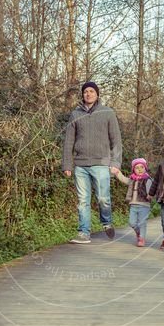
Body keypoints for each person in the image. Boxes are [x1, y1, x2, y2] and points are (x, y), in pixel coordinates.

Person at [62, 81, 122, 244]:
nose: (88, 94)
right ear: (83, 95)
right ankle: (84, 232)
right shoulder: (75, 114)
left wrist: (115, 163)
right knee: (83, 201)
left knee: (103, 198)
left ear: (97, 94)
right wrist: (67, 164)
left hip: (101, 164)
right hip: (80, 165)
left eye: (91, 91)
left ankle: (106, 221)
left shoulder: (107, 112)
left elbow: (116, 140)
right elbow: (68, 141)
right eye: (86, 91)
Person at [114, 158, 153, 247]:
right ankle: (138, 232)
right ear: (133, 170)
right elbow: (124, 179)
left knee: (142, 222)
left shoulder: (148, 179)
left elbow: (152, 189)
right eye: (137, 168)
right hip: (133, 204)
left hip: (144, 204)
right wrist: (117, 173)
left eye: (142, 167)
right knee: (132, 222)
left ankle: (142, 238)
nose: (139, 169)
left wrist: (150, 195)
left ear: (145, 168)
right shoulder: (132, 179)